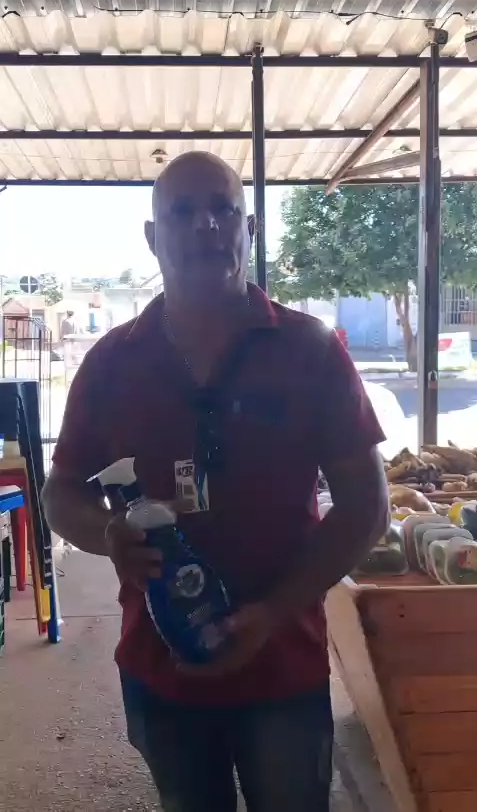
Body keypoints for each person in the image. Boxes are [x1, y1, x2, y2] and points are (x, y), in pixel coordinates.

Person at [42, 151, 389, 812]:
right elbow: (60, 494)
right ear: (152, 237)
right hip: (161, 664)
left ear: (248, 230)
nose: (205, 225)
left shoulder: (311, 350)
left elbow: (366, 507)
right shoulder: (111, 364)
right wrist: (107, 533)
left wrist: (276, 609)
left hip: (282, 662)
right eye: (182, 212)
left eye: (223, 210)